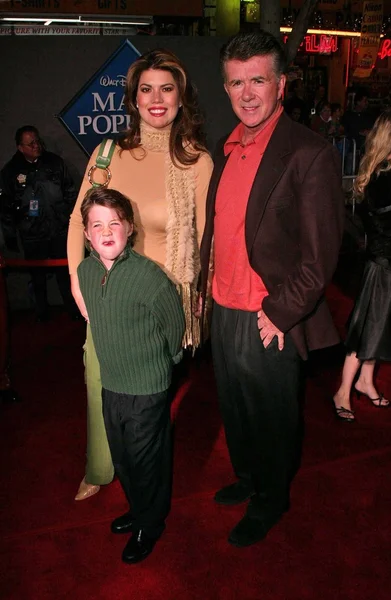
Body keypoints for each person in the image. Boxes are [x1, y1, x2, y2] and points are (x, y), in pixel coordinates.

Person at [200, 31, 344, 548]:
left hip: (269, 314)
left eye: (258, 79)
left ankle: (272, 498)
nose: (247, 92)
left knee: (272, 416)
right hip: (224, 305)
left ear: (281, 84)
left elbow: (321, 253)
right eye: (236, 82)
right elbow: (220, 228)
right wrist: (205, 287)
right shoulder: (228, 146)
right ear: (225, 88)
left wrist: (281, 311)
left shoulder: (308, 152)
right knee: (235, 407)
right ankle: (248, 478)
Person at [67, 49, 213, 501]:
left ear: (180, 97)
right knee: (98, 380)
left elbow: (206, 240)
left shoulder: (196, 161)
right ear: (132, 99)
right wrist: (78, 282)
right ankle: (100, 466)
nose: (156, 98)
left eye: (166, 88)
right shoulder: (108, 154)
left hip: (160, 303)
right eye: (146, 88)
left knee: (146, 402)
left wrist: (200, 299)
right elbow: (78, 221)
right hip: (109, 292)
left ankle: (147, 495)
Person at [78, 187, 184, 563]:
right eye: (97, 225)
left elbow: (174, 323)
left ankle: (151, 523)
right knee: (123, 458)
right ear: (87, 233)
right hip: (113, 385)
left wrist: (168, 359)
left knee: (145, 460)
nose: (106, 231)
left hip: (146, 387)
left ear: (129, 228)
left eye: (114, 223)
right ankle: (139, 509)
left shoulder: (148, 277)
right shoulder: (85, 271)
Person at [333, 111, 391, 420]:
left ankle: (365, 381)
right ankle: (343, 390)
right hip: (384, 265)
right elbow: (387, 224)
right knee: (366, 330)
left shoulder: (388, 173)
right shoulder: (384, 177)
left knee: (381, 329)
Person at [0, 126, 78, 321]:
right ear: (20, 147)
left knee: (64, 275)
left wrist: (66, 218)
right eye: (31, 143)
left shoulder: (54, 162)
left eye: (37, 141)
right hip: (32, 234)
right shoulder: (10, 172)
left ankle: (73, 312)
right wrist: (10, 237)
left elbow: (70, 191)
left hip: (58, 230)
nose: (36, 145)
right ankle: (41, 313)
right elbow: (5, 207)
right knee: (37, 277)